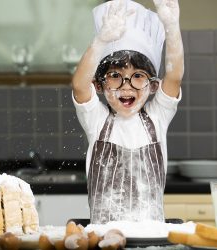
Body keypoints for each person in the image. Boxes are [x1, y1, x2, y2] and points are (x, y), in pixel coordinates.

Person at [72, 0, 184, 224]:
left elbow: (174, 75)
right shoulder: (97, 121)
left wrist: (172, 27)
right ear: (99, 85)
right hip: (104, 237)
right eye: (115, 76)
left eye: (138, 76)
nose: (126, 86)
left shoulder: (157, 118)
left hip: (152, 237)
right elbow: (78, 85)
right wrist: (101, 40)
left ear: (153, 86)